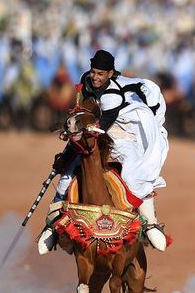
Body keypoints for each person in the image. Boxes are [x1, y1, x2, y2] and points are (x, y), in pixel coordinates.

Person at [37, 50, 170, 253]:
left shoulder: (113, 95)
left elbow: (103, 127)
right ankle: (53, 224)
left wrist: (82, 131)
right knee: (66, 175)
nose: (95, 77)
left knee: (134, 174)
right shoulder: (85, 80)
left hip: (120, 132)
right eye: (93, 72)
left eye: (101, 74)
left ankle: (150, 223)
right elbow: (82, 110)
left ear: (110, 74)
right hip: (91, 129)